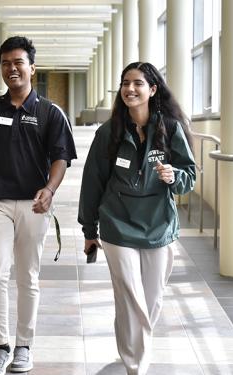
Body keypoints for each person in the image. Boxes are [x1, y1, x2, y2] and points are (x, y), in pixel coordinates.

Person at [0, 36, 77, 375]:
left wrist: (50, 190)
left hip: (34, 206)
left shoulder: (49, 112)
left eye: (18, 62)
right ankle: (0, 346)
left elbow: (61, 158)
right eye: (6, 63)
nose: (12, 68)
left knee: (28, 276)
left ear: (32, 68)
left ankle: (24, 346)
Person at [78, 62, 196, 375]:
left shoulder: (170, 129)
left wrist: (174, 176)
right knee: (129, 297)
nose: (130, 89)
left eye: (138, 83)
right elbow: (93, 181)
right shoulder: (109, 132)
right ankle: (135, 364)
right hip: (117, 223)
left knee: (152, 300)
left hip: (158, 225)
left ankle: (134, 350)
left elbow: (189, 175)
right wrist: (89, 229)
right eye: (125, 83)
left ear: (152, 89)